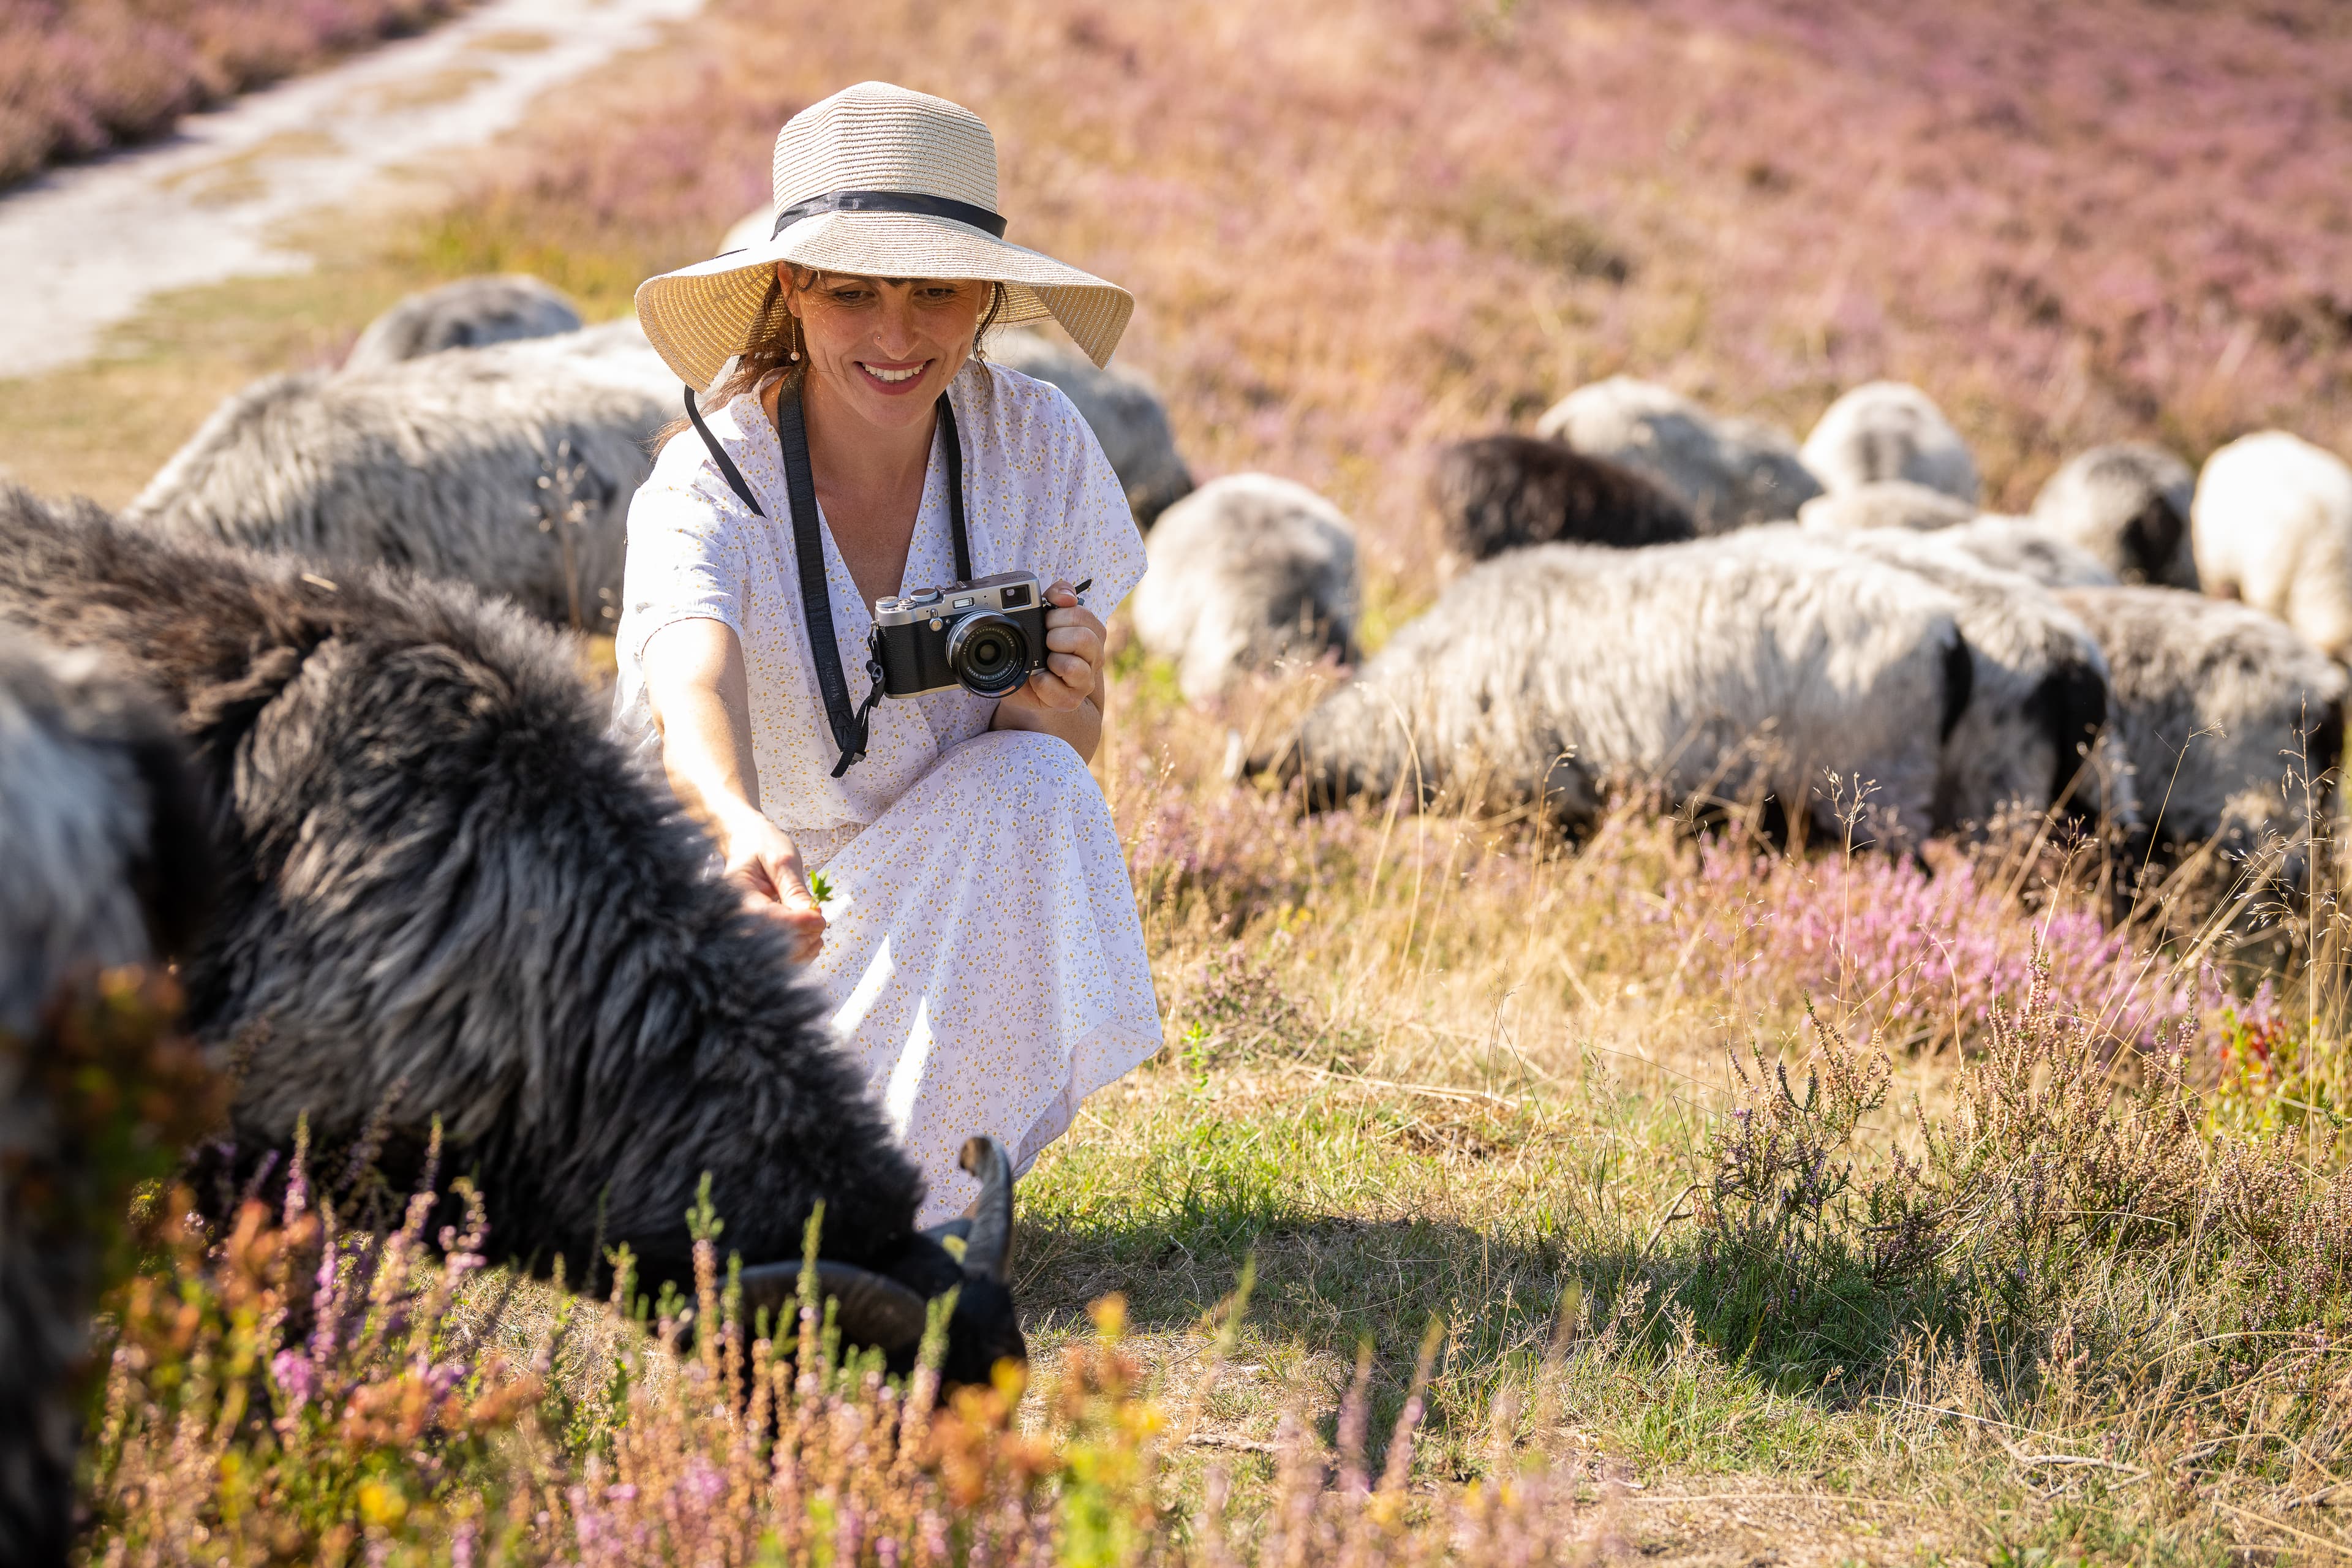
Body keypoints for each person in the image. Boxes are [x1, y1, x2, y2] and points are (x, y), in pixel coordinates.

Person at [614, 81, 1162, 1225]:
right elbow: (688, 676)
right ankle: (843, 1203)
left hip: (939, 932)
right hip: (743, 917)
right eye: (853, 293)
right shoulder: (713, 478)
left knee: (1040, 783)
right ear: (792, 294)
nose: (897, 336)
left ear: (987, 296)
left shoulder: (1036, 447)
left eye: (935, 292)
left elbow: (1048, 769)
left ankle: (876, 1215)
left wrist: (1066, 697)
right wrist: (734, 819)